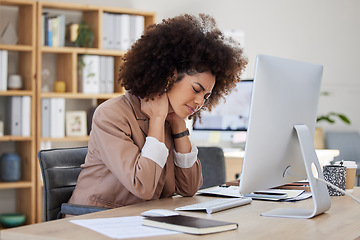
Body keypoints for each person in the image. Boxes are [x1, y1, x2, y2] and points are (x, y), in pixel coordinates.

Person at [68, 14, 247, 208]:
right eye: (196, 89)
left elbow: (189, 188)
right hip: (94, 220)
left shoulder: (173, 119)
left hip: (141, 220)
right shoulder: (111, 115)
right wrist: (157, 119)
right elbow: (142, 186)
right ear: (169, 76)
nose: (199, 102)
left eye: (206, 96)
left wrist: (178, 126)